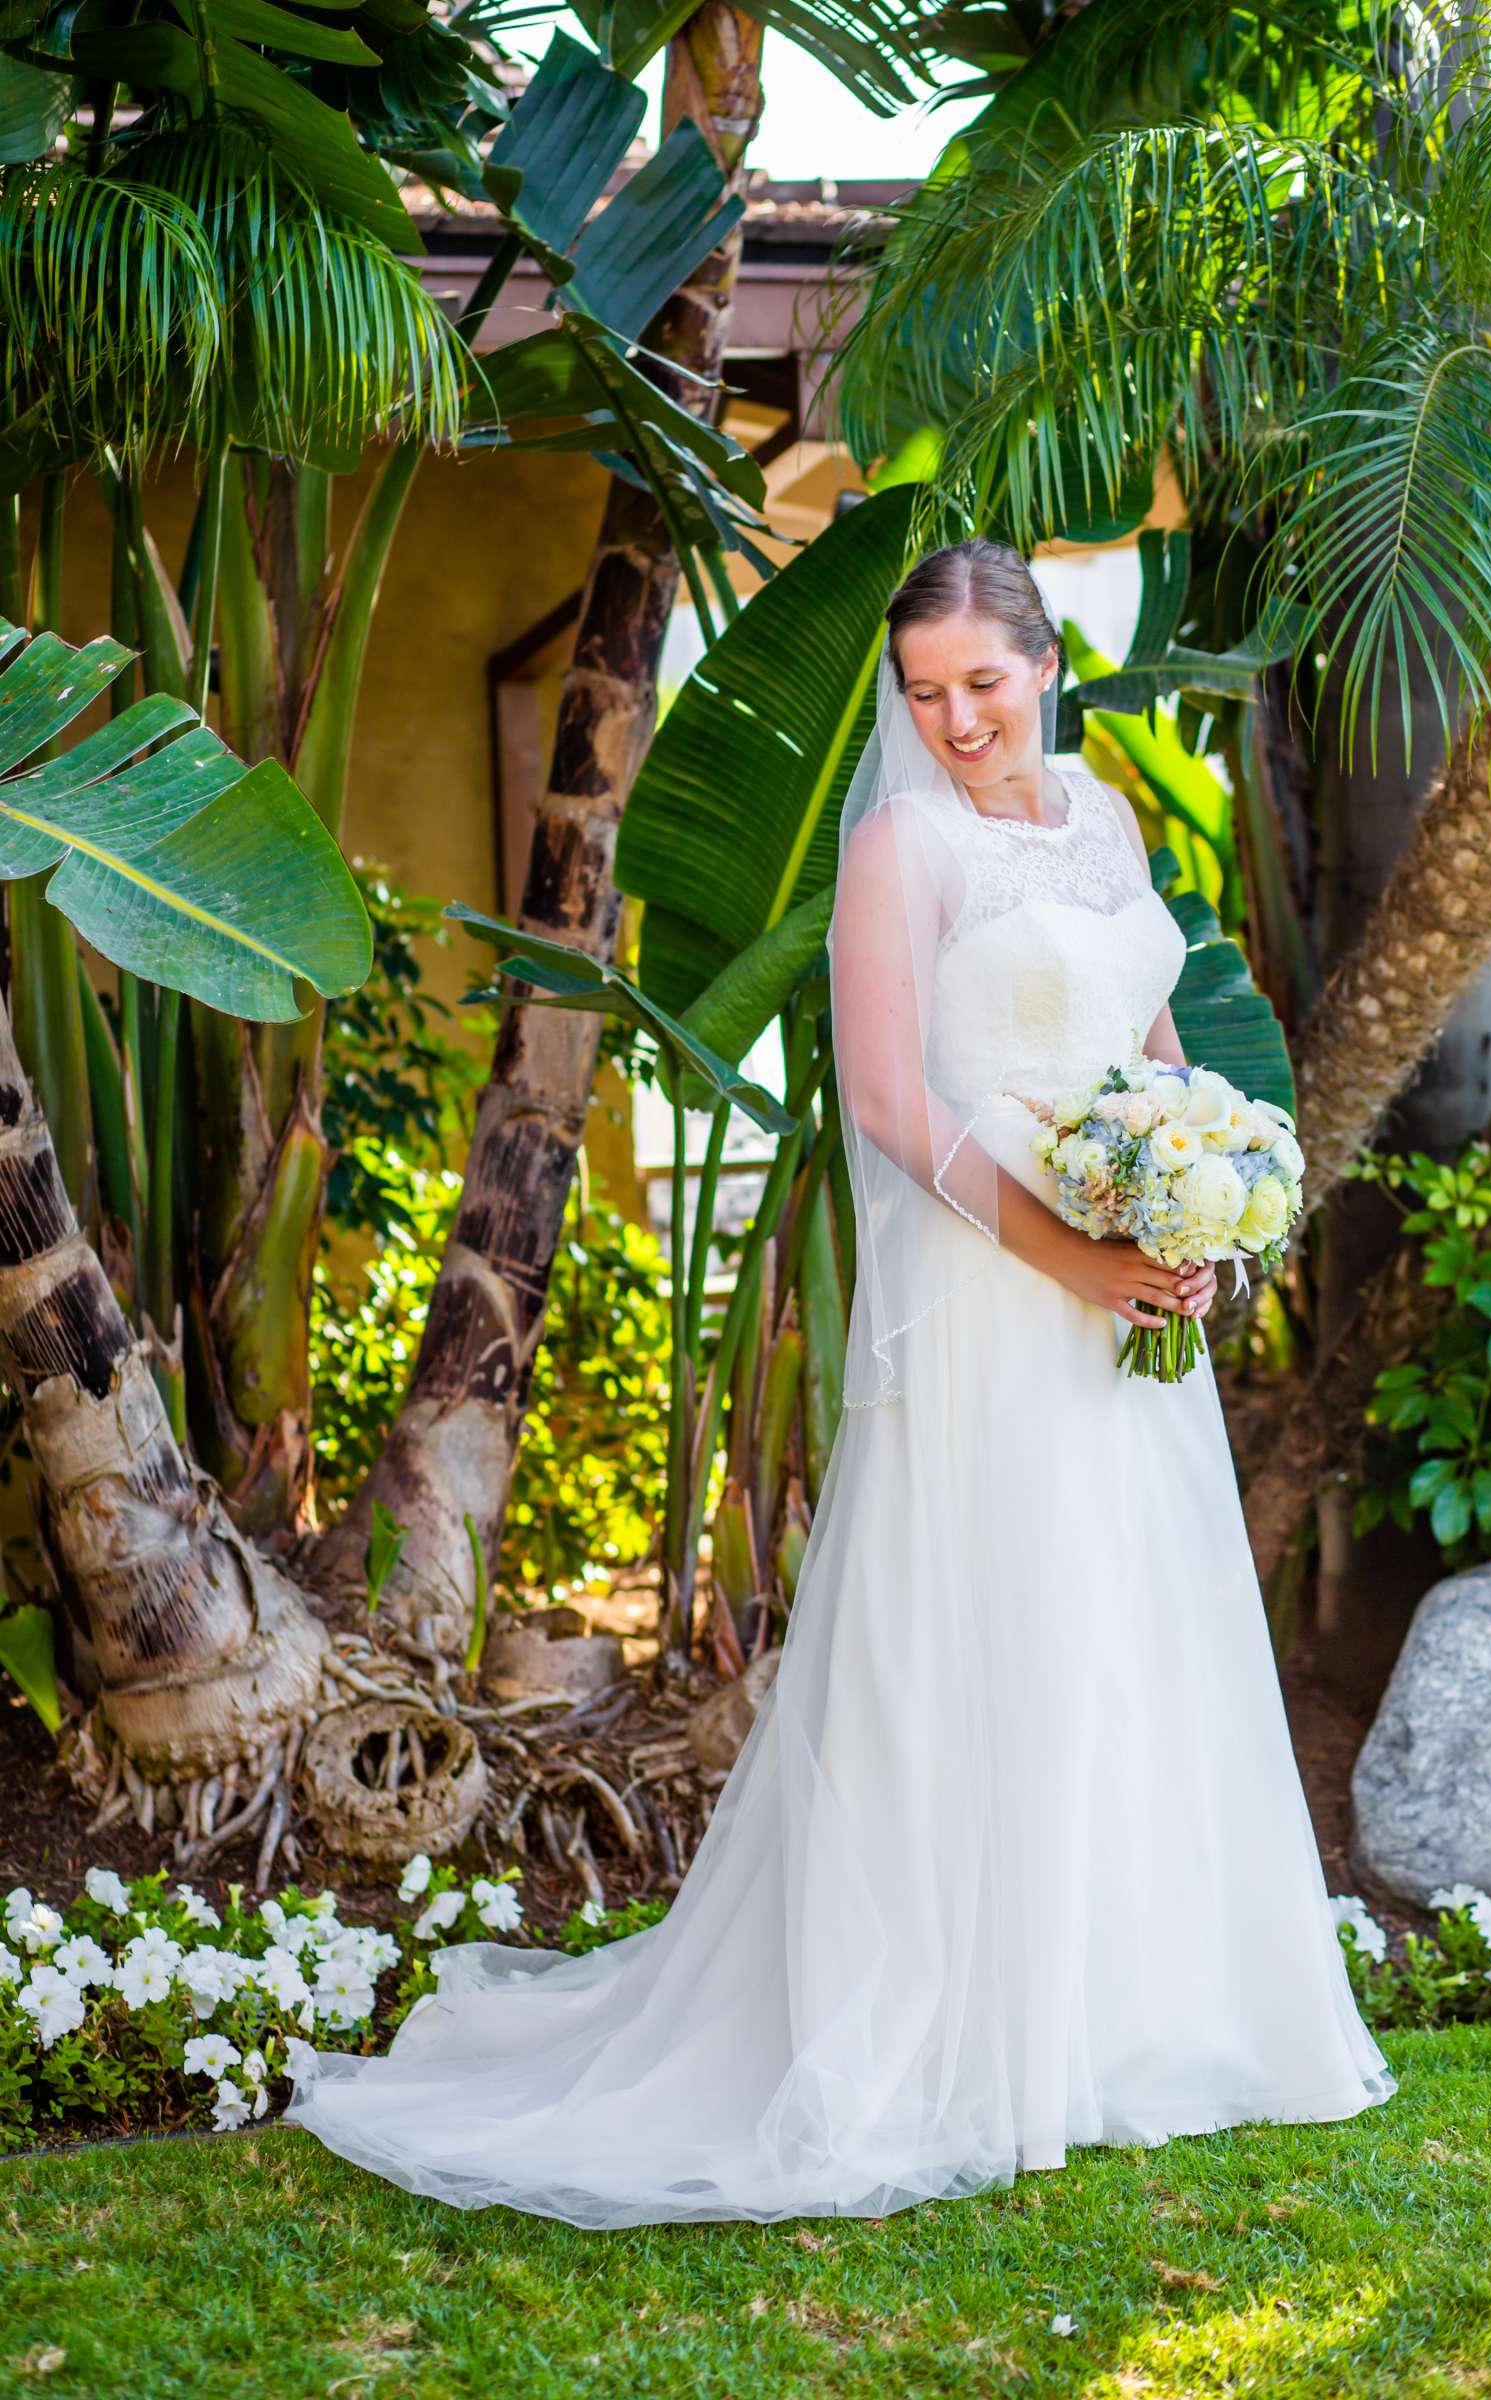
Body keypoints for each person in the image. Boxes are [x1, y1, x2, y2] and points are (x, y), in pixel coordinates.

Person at [282, 537, 1396, 2227]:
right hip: (992, 1290)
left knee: (1125, 1621)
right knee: (990, 1627)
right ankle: (960, 2030)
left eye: (987, 686)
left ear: (1043, 666)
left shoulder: (1105, 823)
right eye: (928, 694)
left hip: (1123, 1276)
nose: (958, 721)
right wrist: (1074, 1254)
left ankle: (1136, 2012)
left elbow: (1160, 1040)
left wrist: (1208, 1190)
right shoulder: (894, 847)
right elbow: (889, 1104)